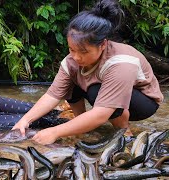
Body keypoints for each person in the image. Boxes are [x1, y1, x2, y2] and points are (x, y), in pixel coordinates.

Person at [12, 0, 164, 145]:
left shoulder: (121, 63)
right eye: (72, 49)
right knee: (71, 84)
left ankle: (124, 132)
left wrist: (55, 132)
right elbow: (52, 95)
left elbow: (101, 114)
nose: (76, 57)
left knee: (95, 91)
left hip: (144, 102)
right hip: (105, 92)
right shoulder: (71, 61)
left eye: (83, 52)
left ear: (103, 44)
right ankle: (82, 124)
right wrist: (25, 120)